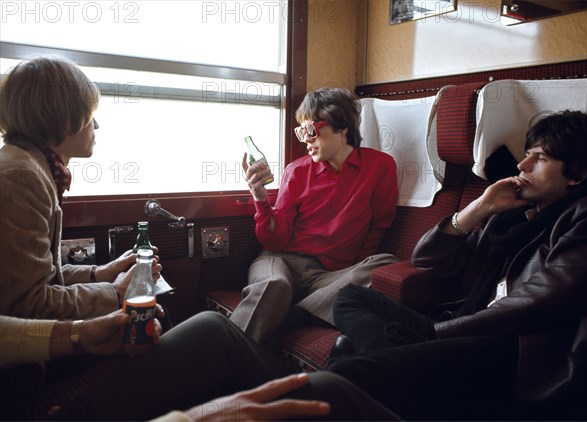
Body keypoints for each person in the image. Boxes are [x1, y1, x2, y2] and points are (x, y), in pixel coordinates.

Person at [327, 110, 587, 420]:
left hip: (512, 349)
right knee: (349, 297)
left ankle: (383, 363)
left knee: (349, 369)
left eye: (539, 159)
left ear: (576, 174)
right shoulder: (509, 218)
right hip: (461, 326)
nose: (522, 166)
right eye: (526, 154)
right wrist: (478, 208)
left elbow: (541, 300)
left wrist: (441, 333)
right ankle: (397, 362)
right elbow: (427, 259)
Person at [0, 311, 401, 421]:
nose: (96, 126)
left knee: (210, 328)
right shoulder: (21, 174)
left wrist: (75, 335)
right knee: (329, 389)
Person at [229, 88, 400, 344]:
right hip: (282, 260)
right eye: (301, 132)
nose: (305, 140)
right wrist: (260, 198)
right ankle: (224, 353)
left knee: (385, 263)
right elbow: (275, 240)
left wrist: (350, 268)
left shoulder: (380, 166)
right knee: (275, 285)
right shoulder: (296, 171)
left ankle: (294, 315)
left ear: (342, 127)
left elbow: (380, 225)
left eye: (311, 130)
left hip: (329, 275)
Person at [0, 56, 161, 319]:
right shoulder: (22, 176)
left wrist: (102, 272)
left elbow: (42, 279)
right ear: (64, 118)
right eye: (89, 115)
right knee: (209, 327)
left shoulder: (29, 165)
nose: (96, 125)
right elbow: (26, 304)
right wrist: (117, 292)